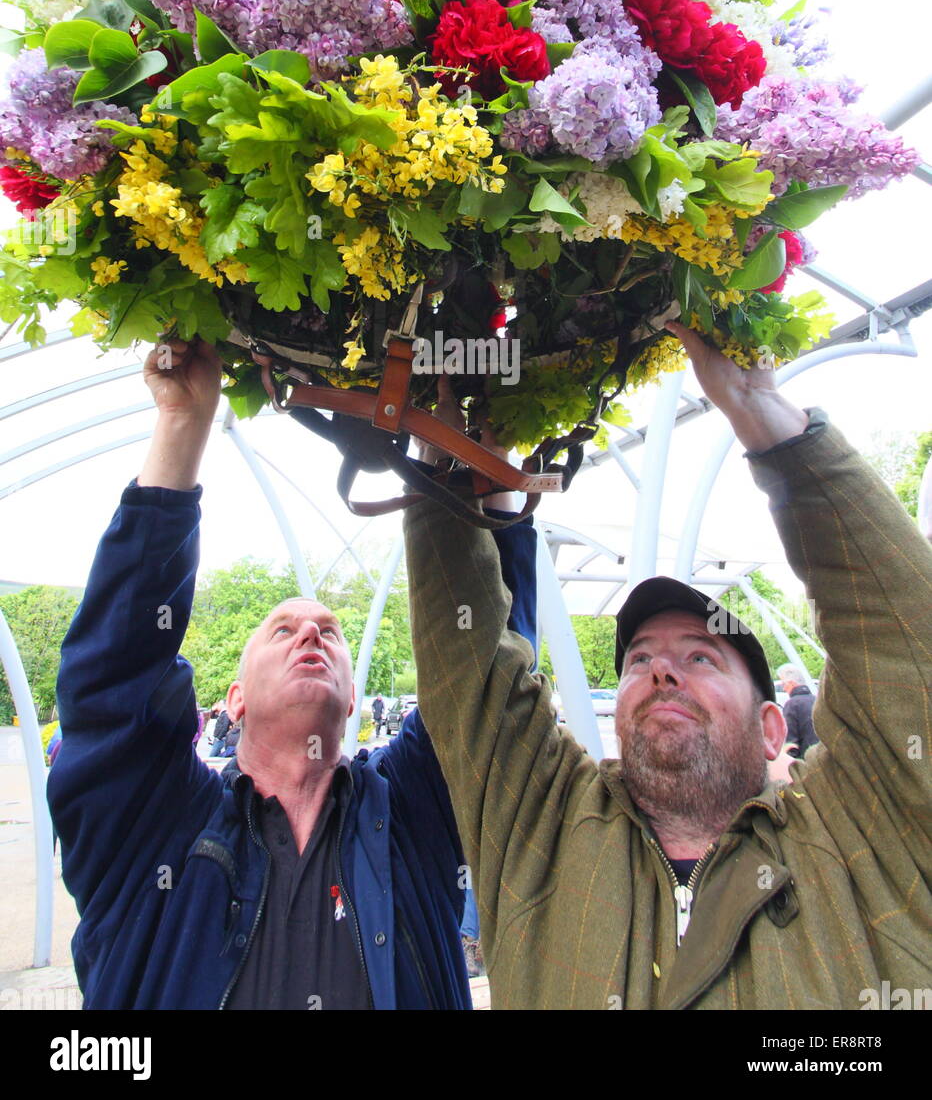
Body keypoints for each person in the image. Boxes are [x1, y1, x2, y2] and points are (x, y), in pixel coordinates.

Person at [403, 322, 932, 1009]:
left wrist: (772, 426)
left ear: (774, 728)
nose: (661, 670)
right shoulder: (545, 824)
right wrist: (450, 461)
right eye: (641, 658)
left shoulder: (860, 837)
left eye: (701, 656)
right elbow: (466, 668)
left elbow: (904, 650)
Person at [46, 338, 529, 1010]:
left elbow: (484, 681)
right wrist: (183, 424)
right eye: (284, 629)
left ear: (353, 696)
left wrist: (489, 473)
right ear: (234, 699)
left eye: (329, 631)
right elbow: (113, 677)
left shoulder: (411, 808)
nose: (311, 631)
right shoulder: (157, 825)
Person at [777, 663, 817, 758]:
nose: (783, 688)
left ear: (791, 683)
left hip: (807, 762)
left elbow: (791, 745)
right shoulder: (817, 700)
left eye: (783, 684)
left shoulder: (792, 705)